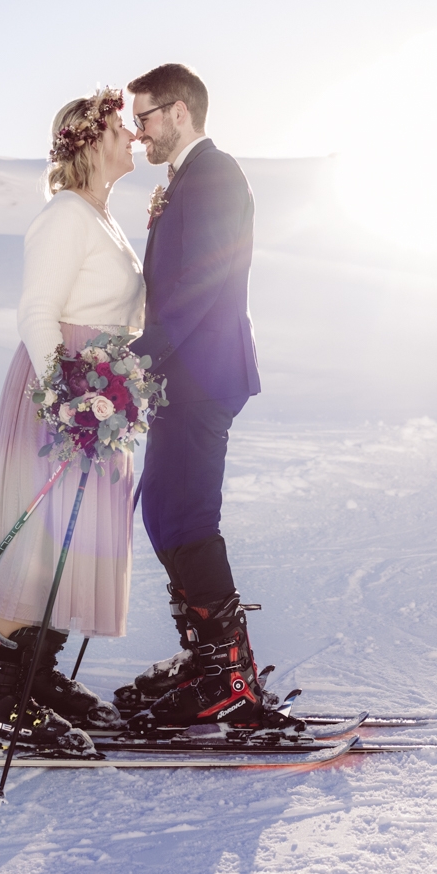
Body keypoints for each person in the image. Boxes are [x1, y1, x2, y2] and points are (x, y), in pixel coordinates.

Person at [0, 87, 145, 752]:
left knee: (68, 541)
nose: (132, 137)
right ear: (92, 142)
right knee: (36, 542)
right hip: (66, 389)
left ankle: (35, 678)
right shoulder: (65, 215)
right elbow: (36, 311)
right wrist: (67, 396)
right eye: (120, 128)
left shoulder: (102, 217)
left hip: (99, 389)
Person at [114, 63, 271, 729]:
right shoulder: (185, 180)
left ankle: (228, 679)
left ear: (180, 112)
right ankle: (206, 658)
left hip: (202, 373)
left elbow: (201, 281)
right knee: (163, 512)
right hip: (181, 375)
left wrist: (139, 357)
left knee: (186, 519)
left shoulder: (215, 174)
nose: (138, 132)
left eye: (144, 117)